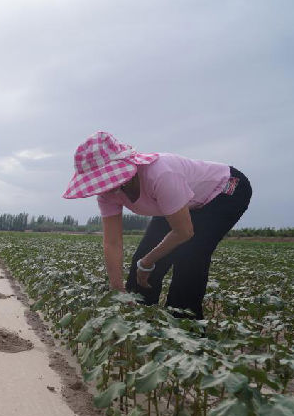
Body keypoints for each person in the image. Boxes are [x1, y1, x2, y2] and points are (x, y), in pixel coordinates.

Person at [62, 131, 251, 319]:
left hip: (226, 189)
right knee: (143, 256)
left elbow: (183, 232)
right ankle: (140, 320)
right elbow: (112, 242)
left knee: (190, 255)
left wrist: (147, 262)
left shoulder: (160, 174)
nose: (104, 188)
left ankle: (185, 327)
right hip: (181, 201)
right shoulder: (107, 195)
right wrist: (117, 287)